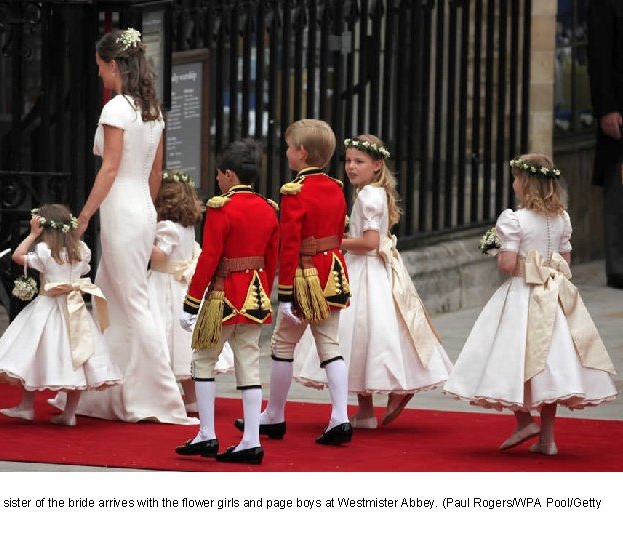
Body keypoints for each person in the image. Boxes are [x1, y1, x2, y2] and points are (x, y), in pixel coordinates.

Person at [51, 28, 196, 425]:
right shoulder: (151, 109)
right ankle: (106, 388)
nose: (99, 73)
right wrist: (146, 211)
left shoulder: (116, 108)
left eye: (100, 66)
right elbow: (155, 171)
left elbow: (110, 167)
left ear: (114, 65)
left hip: (120, 208)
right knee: (111, 300)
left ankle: (163, 396)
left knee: (130, 302)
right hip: (139, 208)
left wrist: (83, 217)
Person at [444, 154, 617, 455]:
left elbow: (508, 264)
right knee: (549, 364)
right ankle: (547, 439)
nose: (513, 184)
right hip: (555, 294)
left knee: (511, 357)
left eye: (515, 178)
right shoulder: (562, 218)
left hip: (524, 295)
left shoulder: (514, 219)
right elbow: (566, 260)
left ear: (526, 183)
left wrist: (495, 249)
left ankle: (524, 420)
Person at [294, 135, 452, 427]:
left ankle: (379, 401)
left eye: (359, 162)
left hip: (364, 269)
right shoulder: (372, 192)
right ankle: (366, 410)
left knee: (357, 335)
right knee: (367, 337)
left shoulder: (368, 196)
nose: (351, 167)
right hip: (372, 268)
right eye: (348, 161)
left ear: (377, 165)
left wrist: (335, 241)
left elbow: (369, 242)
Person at [236, 119, 353, 445]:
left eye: (289, 147)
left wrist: (284, 293)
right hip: (333, 271)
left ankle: (274, 415)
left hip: (306, 277)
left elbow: (289, 246)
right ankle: (340, 416)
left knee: (282, 345)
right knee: (330, 345)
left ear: (301, 153)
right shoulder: (336, 187)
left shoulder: (295, 192)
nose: (286, 152)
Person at [175, 139, 279, 465]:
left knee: (203, 361)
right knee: (249, 365)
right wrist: (262, 290)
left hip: (223, 295)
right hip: (255, 294)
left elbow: (209, 259)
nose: (218, 180)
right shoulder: (268, 209)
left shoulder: (222, 208)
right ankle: (250, 440)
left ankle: (207, 434)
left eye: (220, 174)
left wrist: (192, 302)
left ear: (230, 174)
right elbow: (271, 261)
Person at [0, 204, 121, 426]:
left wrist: (31, 235)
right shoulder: (81, 250)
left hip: (46, 308)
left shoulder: (44, 251)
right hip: (74, 309)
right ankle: (69, 413)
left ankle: (27, 406)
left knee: (34, 353)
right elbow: (84, 271)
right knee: (77, 358)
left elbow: (17, 256)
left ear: (44, 227)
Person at [148, 169, 234, 414]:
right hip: (181, 286)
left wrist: (140, 240)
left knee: (164, 336)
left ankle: (165, 395)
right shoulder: (186, 226)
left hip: (164, 283)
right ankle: (192, 398)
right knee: (183, 344)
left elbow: (161, 255)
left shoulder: (166, 226)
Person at [587, 1, 623, 289]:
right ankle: (619, 266)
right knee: (620, 188)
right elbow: (598, 56)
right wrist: (606, 108)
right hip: (619, 114)